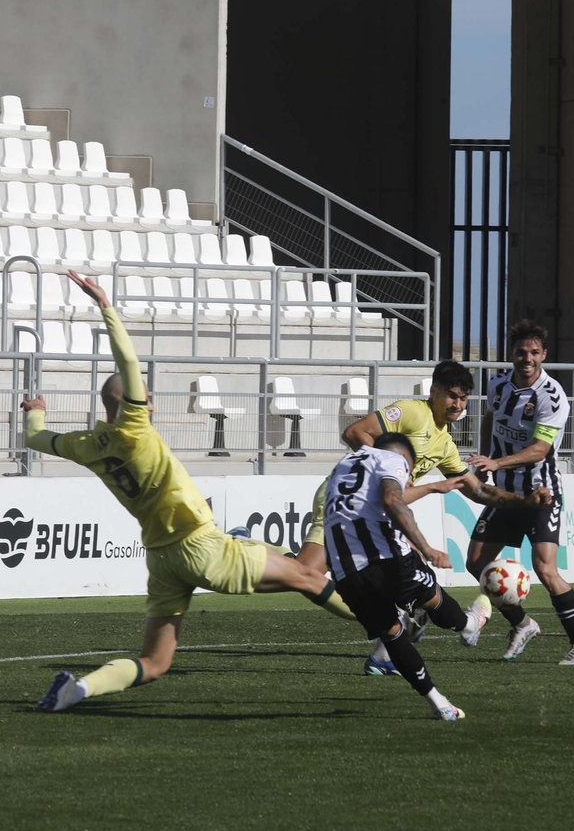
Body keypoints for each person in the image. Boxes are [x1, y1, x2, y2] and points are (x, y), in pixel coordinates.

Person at [34, 271, 356, 712]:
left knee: (155, 661)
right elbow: (129, 364)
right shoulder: (135, 429)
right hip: (200, 546)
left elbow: (39, 440)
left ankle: (78, 690)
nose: (150, 404)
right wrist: (105, 305)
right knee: (306, 575)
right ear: (134, 403)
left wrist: (35, 416)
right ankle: (390, 626)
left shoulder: (85, 445)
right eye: (146, 398)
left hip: (162, 559)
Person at [296, 360, 552, 674]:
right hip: (348, 502)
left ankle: (390, 651)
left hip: (375, 516)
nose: (458, 404)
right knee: (310, 576)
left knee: (390, 580)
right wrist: (393, 470)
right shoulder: (413, 412)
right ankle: (457, 625)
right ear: (433, 392)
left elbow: (479, 492)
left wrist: (526, 501)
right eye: (451, 395)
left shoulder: (445, 443)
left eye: (463, 398)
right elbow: (355, 432)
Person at [322, 432, 492, 720]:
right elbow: (392, 498)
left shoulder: (347, 462)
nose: (407, 479)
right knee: (431, 593)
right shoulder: (392, 459)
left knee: (391, 633)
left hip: (344, 571)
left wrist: (433, 487)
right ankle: (467, 625)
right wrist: (426, 547)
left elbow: (381, 496)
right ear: (404, 458)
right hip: (384, 558)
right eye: (409, 473)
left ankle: (439, 704)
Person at [468, 320, 574, 666]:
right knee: (476, 563)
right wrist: (485, 458)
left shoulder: (551, 396)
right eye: (521, 352)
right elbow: (489, 417)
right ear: (512, 354)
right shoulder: (497, 385)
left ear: (544, 355)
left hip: (542, 494)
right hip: (505, 496)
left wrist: (496, 462)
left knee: (545, 568)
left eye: (534, 352)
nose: (527, 358)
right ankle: (522, 624)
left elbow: (540, 449)